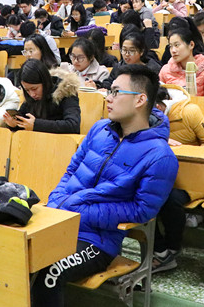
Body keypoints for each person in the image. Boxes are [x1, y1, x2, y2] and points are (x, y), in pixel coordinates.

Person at [32, 65, 178, 306]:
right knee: (14, 255)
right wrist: (58, 202)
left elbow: (142, 210)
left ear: (140, 100)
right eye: (110, 91)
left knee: (50, 273)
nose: (108, 98)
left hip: (96, 240)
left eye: (116, 92)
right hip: (58, 220)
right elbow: (71, 172)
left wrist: (80, 212)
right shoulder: (99, 129)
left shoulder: (160, 156)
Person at [152, 84, 204, 272]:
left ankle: (172, 248)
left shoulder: (188, 112)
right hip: (164, 175)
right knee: (138, 193)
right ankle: (159, 251)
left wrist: (185, 152)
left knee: (169, 199)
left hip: (196, 177)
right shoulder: (143, 117)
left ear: (158, 107)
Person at [3, 59, 81, 134]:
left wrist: (36, 125)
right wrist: (15, 124)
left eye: (34, 89)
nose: (32, 94)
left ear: (45, 82)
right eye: (27, 90)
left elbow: (73, 125)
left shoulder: (66, 92)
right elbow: (25, 120)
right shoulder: (30, 98)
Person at [159, 26, 204, 96]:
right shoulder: (165, 70)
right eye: (170, 46)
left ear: (191, 45)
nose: (173, 50)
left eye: (177, 45)